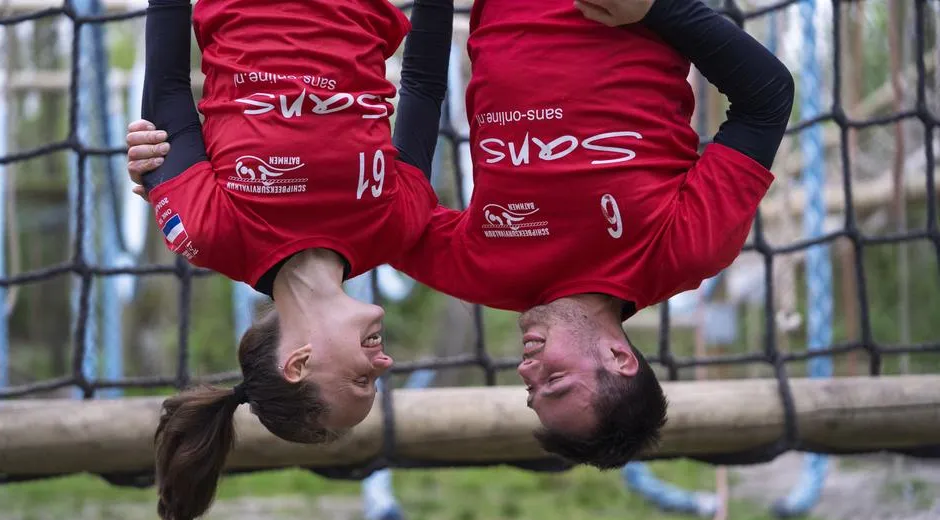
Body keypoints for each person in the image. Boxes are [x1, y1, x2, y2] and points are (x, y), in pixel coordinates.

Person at [129, 0, 794, 473]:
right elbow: (765, 96)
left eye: (531, 388)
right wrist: (657, 9)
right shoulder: (687, 248)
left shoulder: (476, 268)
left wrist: (167, 176)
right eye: (551, 381)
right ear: (621, 358)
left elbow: (373, 202)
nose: (526, 369)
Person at [131, 0, 453, 520]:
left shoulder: (209, 233)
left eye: (360, 380)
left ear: (298, 363)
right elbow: (422, 85)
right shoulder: (397, 227)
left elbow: (166, 90)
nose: (385, 363)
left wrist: (154, 160)